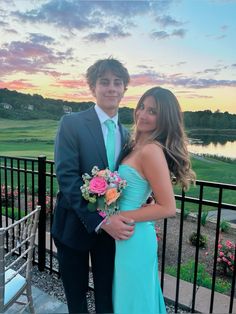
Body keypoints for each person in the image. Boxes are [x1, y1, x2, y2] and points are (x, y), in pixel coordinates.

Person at [52, 58, 135, 313]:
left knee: (107, 301)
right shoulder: (72, 124)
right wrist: (101, 220)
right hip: (74, 227)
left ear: (124, 89)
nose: (111, 88)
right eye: (104, 82)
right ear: (93, 87)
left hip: (110, 237)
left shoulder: (127, 133)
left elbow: (128, 179)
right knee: (76, 302)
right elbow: (67, 177)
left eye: (117, 82)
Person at [113, 86, 196, 314]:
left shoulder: (151, 150)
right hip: (126, 232)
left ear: (165, 119)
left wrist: (118, 216)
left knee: (135, 300)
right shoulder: (135, 145)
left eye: (152, 111)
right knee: (130, 296)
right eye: (142, 107)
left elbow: (168, 207)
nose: (142, 114)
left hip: (133, 236)